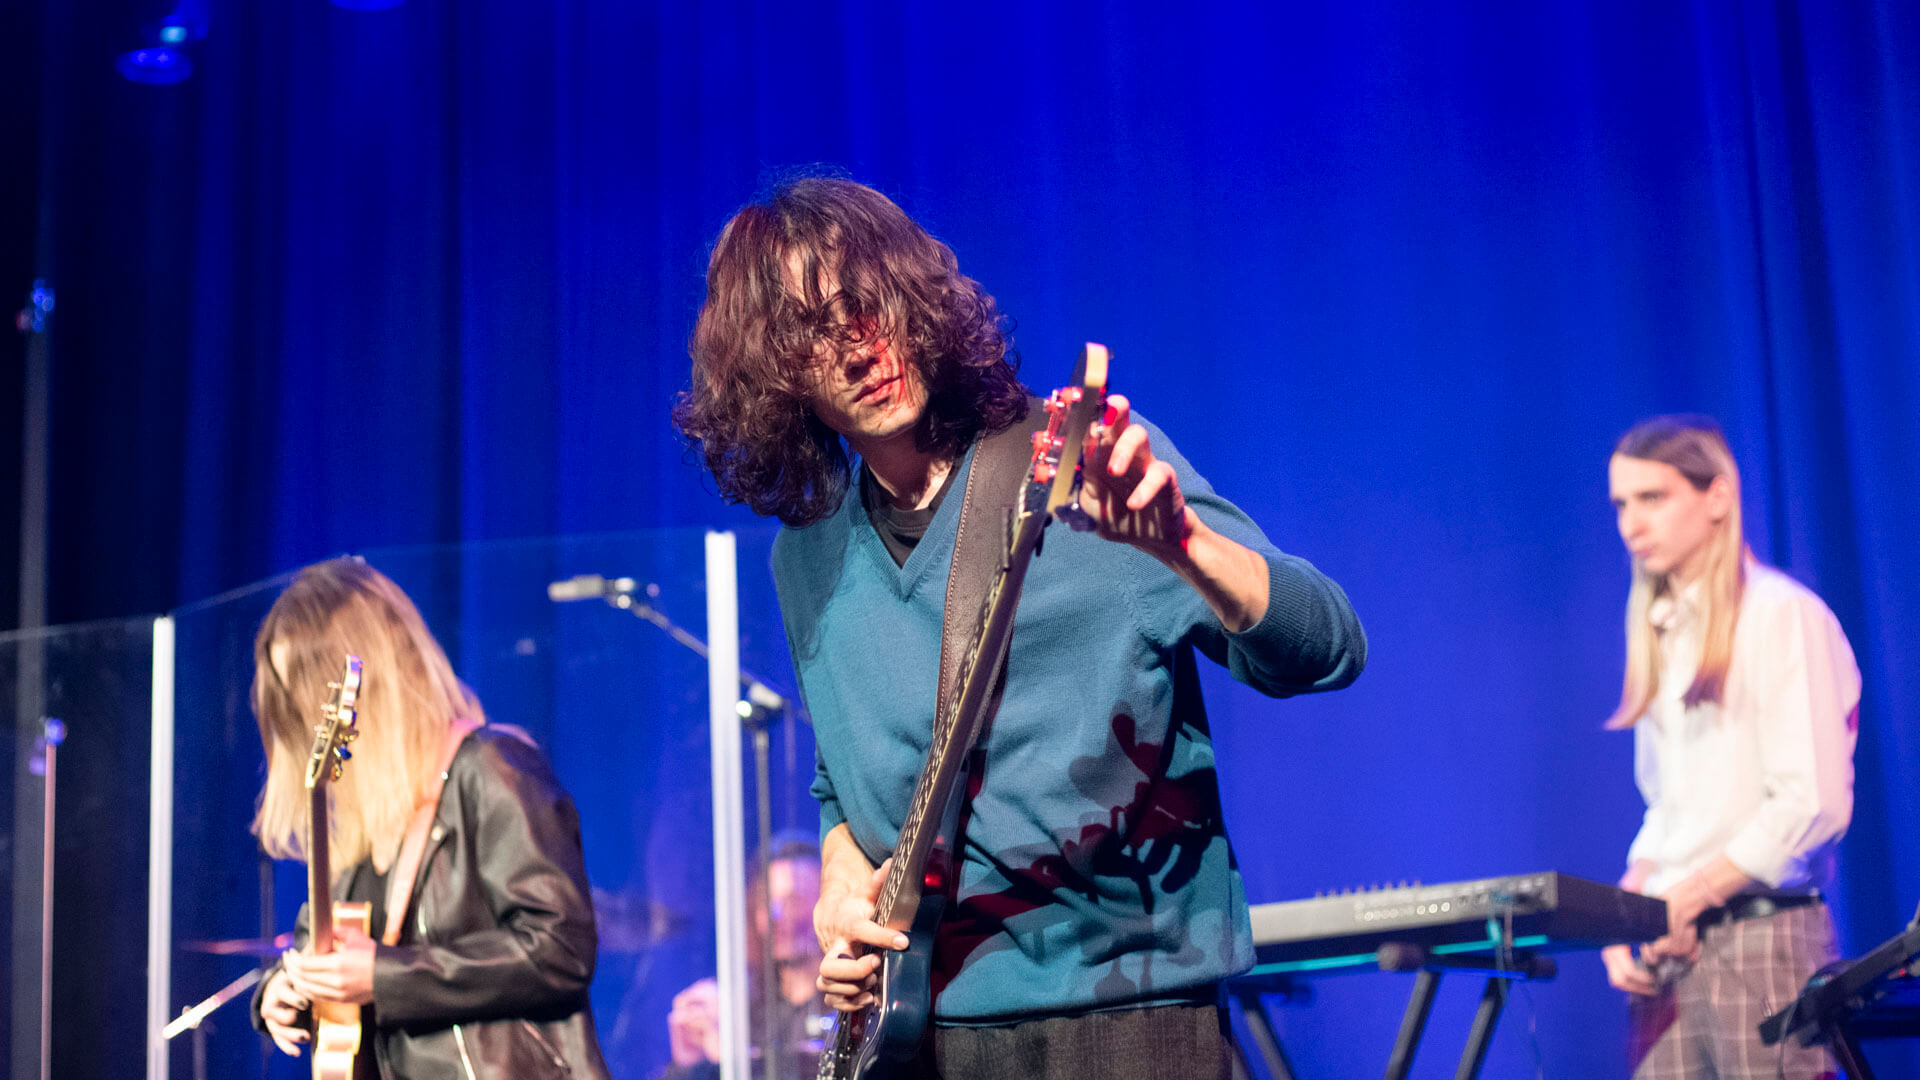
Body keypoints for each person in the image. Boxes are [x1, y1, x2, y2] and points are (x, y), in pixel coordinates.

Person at [673, 176, 1366, 1078]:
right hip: (926, 1037)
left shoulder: (1083, 469)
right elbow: (843, 780)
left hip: (1125, 1014)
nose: (859, 344)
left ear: (914, 295)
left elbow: (1329, 645)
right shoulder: (807, 556)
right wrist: (840, 881)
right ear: (775, 374)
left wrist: (1184, 546)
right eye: (812, 330)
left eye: (867, 301)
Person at [247, 557, 611, 1079]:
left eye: (313, 686)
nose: (309, 715)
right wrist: (285, 992)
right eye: (291, 696)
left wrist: (385, 976)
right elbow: (324, 955)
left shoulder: (491, 768)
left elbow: (559, 949)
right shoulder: (358, 828)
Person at [1598, 416, 1859, 1079]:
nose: (1632, 524)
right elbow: (1669, 809)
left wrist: (1686, 897)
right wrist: (1628, 909)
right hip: (1677, 948)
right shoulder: (1663, 630)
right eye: (1622, 504)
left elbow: (1811, 803)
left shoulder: (1780, 615)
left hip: (1761, 939)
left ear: (1717, 496)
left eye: (1652, 498)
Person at [657, 836, 832, 1080]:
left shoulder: (846, 1003)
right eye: (765, 903)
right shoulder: (741, 1011)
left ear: (826, 905)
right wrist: (688, 1065)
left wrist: (731, 1059)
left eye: (793, 900)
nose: (775, 915)